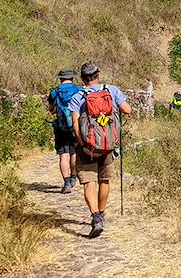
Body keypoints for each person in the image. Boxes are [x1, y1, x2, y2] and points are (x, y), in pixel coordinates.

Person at [68, 62, 132, 238]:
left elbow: (74, 124)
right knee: (104, 181)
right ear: (98, 75)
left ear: (82, 78)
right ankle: (102, 213)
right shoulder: (112, 90)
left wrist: (82, 145)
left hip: (87, 147)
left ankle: (95, 217)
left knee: (89, 183)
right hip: (107, 146)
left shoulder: (77, 96)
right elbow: (128, 110)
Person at [48, 69, 82, 193]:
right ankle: (73, 177)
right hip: (75, 126)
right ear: (72, 78)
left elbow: (51, 109)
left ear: (60, 79)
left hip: (61, 128)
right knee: (74, 153)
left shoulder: (55, 92)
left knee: (63, 155)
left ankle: (66, 182)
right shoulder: (79, 90)